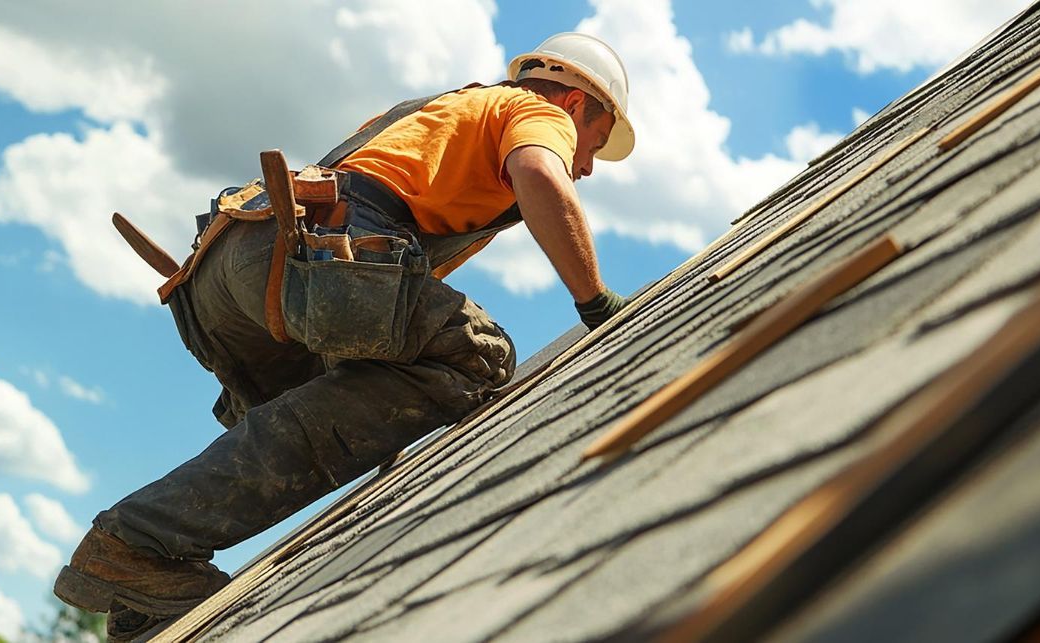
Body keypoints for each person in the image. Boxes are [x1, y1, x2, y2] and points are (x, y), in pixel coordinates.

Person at [54, 32, 637, 640]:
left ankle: (144, 575)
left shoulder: (437, 111)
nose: (588, 165)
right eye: (594, 143)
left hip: (229, 269)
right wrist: (596, 303)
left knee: (317, 415)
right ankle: (130, 544)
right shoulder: (536, 111)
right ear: (575, 104)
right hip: (314, 267)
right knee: (478, 356)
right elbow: (541, 173)